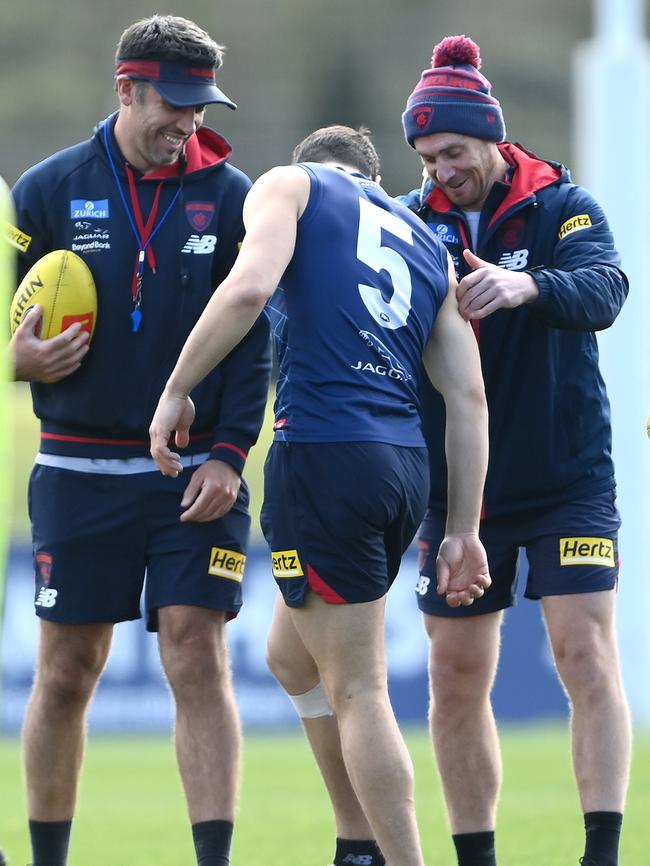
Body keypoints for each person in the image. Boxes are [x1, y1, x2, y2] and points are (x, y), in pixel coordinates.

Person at [149, 124, 492, 866]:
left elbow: (246, 288)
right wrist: (463, 528)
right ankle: (355, 843)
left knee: (361, 689)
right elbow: (467, 396)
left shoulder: (291, 185)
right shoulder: (423, 238)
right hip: (403, 466)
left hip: (325, 454)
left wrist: (177, 390)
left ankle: (394, 858)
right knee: (291, 658)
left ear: (313, 168)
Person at [9, 15, 270, 866]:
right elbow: (13, 324)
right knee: (67, 671)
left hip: (191, 473)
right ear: (127, 90)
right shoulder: (45, 191)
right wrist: (18, 358)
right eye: (174, 103)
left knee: (197, 656)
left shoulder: (234, 196)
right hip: (77, 470)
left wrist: (232, 454)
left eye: (202, 106)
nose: (188, 123)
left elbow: (257, 335)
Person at [399, 35, 631, 866]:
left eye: (454, 151)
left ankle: (600, 852)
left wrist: (524, 283)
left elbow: (606, 290)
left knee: (583, 652)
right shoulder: (410, 219)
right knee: (455, 674)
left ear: (492, 138)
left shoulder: (561, 205)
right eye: (426, 156)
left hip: (568, 474)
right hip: (460, 490)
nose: (441, 171)